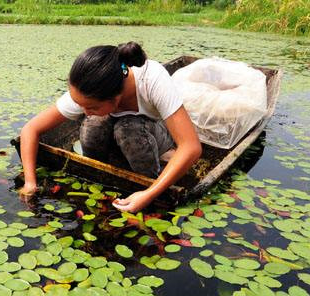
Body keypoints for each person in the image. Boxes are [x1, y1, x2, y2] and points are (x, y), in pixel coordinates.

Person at [19, 42, 201, 213]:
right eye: (80, 105)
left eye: (91, 107)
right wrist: (30, 182)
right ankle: (105, 174)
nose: (85, 111)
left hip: (155, 131)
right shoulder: (89, 87)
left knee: (127, 130)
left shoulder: (152, 79)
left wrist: (149, 193)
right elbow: (31, 129)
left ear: (115, 99)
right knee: (92, 126)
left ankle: (152, 174)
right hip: (118, 133)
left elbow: (191, 147)